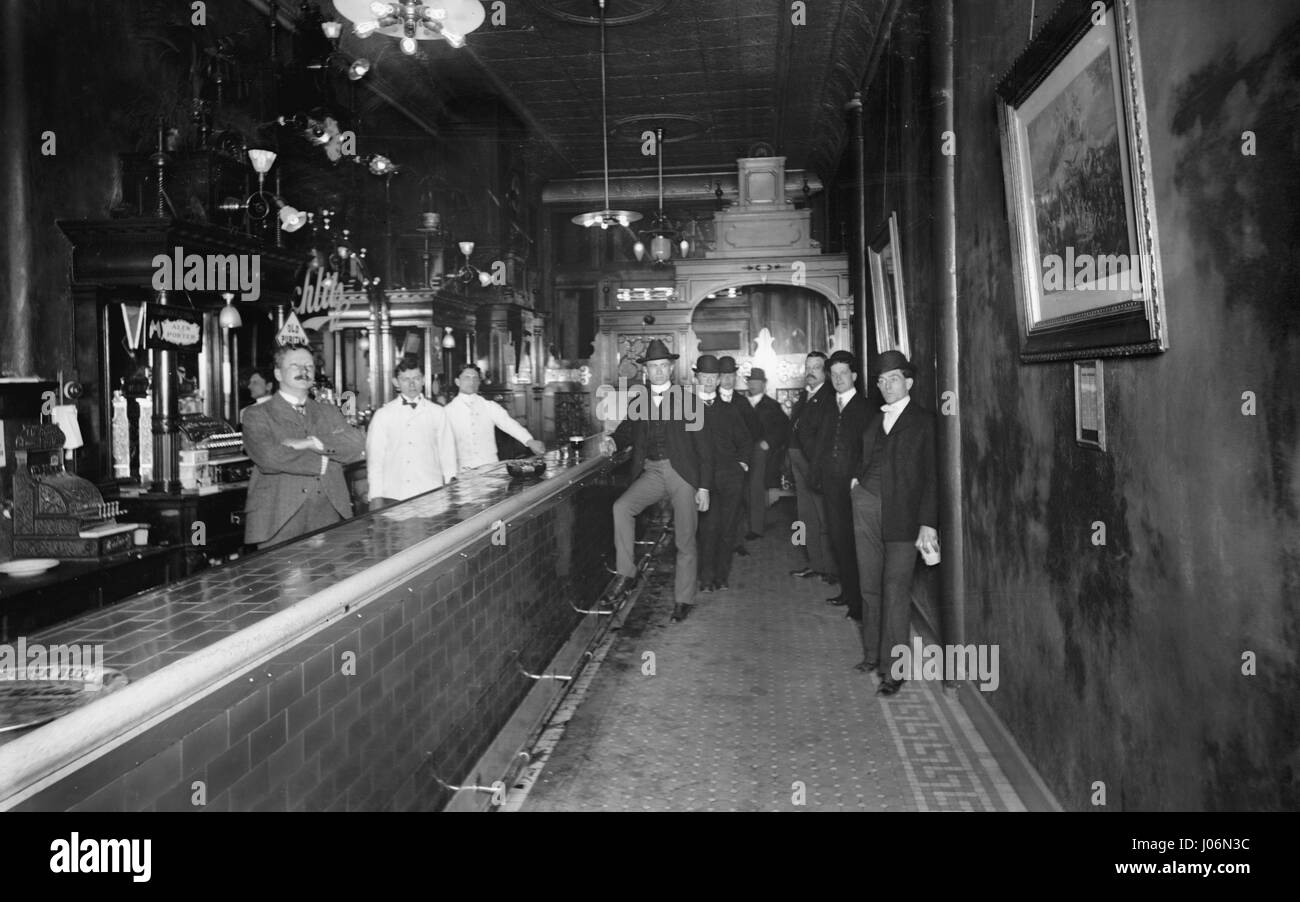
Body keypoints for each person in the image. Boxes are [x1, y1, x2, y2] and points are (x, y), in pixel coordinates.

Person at [601, 339, 713, 623]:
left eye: (664, 366)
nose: (659, 372)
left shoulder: (689, 400)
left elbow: (704, 448)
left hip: (682, 475)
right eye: (654, 367)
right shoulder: (639, 399)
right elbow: (627, 429)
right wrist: (613, 441)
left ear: (671, 368)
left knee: (685, 539)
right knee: (621, 508)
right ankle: (626, 574)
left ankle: (683, 598)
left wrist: (704, 487)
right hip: (652, 471)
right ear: (646, 372)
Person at [851, 350, 938, 696]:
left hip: (904, 515)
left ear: (909, 383)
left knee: (895, 589)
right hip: (867, 506)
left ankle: (895, 670)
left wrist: (928, 524)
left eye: (894, 379)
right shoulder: (876, 419)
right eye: (882, 380)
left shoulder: (924, 421)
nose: (887, 386)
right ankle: (873, 655)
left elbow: (933, 476)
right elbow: (866, 457)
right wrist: (856, 484)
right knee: (869, 584)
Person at [241, 344, 366, 548]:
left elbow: (355, 444)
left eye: (308, 365)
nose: (304, 370)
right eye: (295, 365)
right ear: (278, 374)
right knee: (282, 578)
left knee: (330, 579)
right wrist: (325, 460)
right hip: (279, 517)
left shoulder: (329, 411)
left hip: (329, 514)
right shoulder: (257, 414)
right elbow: (269, 458)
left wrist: (312, 443)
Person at [811, 350, 871, 620]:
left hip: (856, 488)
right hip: (831, 485)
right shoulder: (826, 405)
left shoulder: (866, 408)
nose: (838, 379)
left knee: (858, 544)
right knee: (839, 540)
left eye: (843, 374)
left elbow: (870, 451)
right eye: (833, 375)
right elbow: (820, 442)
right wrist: (818, 473)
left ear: (854, 376)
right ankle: (848, 593)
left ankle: (860, 603)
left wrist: (858, 477)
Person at [366, 358, 459, 509]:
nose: (411, 384)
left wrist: (451, 488)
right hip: (394, 494)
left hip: (431, 492)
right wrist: (375, 496)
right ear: (396, 382)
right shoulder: (383, 415)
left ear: (423, 380)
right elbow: (375, 460)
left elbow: (447, 453)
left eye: (416, 378)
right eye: (405, 379)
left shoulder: (437, 412)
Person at [694, 355, 752, 593]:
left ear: (719, 380)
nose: (708, 381)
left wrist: (742, 464)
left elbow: (746, 440)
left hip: (730, 478)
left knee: (728, 529)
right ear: (696, 377)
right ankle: (706, 578)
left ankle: (721, 576)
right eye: (704, 376)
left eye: (712, 377)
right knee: (708, 529)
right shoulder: (688, 409)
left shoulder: (729, 410)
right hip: (702, 481)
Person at [787, 351, 837, 584]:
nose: (810, 371)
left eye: (816, 367)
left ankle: (830, 568)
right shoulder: (805, 396)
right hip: (798, 461)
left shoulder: (828, 397)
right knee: (806, 515)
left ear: (825, 372)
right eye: (808, 367)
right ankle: (815, 563)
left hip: (813, 463)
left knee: (823, 515)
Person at [444, 363, 545, 470]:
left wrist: (529, 441)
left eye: (475, 378)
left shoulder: (489, 406)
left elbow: (509, 424)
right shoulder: (447, 411)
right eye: (467, 378)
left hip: (490, 466)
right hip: (463, 469)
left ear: (479, 382)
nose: (471, 382)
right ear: (457, 382)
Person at [742, 367, 789, 538]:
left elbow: (784, 429)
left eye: (756, 382)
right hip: (742, 452)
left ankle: (756, 528)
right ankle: (750, 524)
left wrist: (768, 442)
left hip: (760, 454)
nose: (753, 385)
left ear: (764, 384)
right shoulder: (742, 403)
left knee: (755, 488)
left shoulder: (772, 406)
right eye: (750, 381)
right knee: (743, 489)